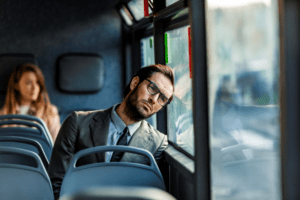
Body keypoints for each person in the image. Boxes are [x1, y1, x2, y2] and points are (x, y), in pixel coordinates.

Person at [48, 64, 174, 200]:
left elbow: (151, 190)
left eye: (162, 99)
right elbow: (56, 181)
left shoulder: (157, 142)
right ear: (135, 83)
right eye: (152, 88)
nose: (153, 100)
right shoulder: (77, 123)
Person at [0, 63, 61, 142]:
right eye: (28, 83)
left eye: (37, 82)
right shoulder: (4, 114)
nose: (34, 87)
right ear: (16, 85)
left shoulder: (49, 111)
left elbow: (56, 144)